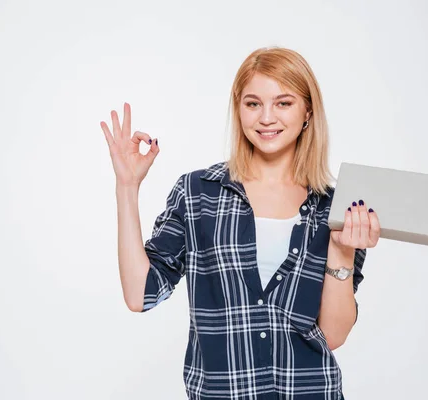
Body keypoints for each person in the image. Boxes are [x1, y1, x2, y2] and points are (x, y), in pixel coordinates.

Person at [100, 46, 381, 400]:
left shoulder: (336, 208)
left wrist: (341, 254)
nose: (266, 118)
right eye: (253, 103)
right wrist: (127, 188)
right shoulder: (198, 193)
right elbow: (140, 294)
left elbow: (332, 336)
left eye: (283, 103)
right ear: (238, 109)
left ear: (307, 111)